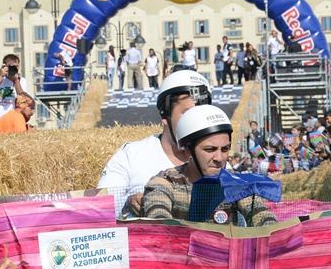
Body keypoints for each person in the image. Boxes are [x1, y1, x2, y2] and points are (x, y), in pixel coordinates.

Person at [140, 105, 276, 226]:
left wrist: (271, 229)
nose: (219, 158)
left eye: (225, 149)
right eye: (210, 150)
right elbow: (159, 220)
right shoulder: (165, 182)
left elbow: (262, 215)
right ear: (188, 150)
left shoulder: (234, 183)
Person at [97, 69, 212, 212]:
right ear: (165, 116)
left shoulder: (217, 158)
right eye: (187, 114)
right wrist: (128, 203)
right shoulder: (131, 155)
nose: (196, 122)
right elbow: (101, 208)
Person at [0, 53, 28, 121]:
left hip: (12, 119)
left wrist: (16, 81)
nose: (13, 69)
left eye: (16, 66)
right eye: (11, 66)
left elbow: (23, 100)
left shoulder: (21, 80)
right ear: (4, 66)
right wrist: (1, 76)